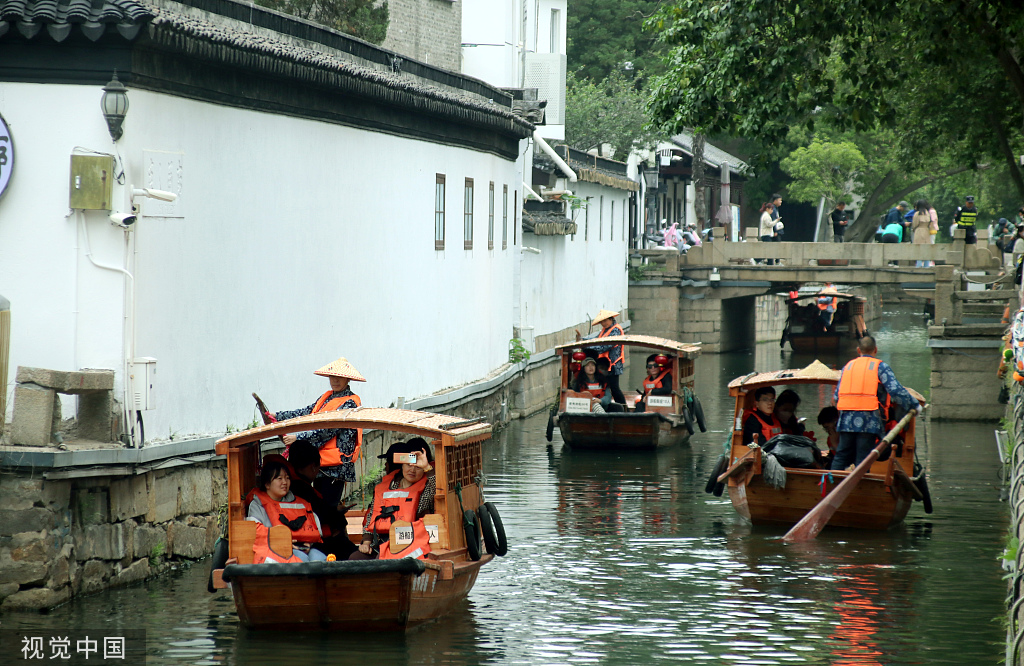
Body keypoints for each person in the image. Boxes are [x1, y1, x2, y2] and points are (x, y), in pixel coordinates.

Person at [273, 357, 366, 508]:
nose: (335, 380)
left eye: (339, 377)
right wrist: (277, 416)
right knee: (316, 504)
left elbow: (329, 430)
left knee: (327, 506)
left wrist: (298, 437)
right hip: (319, 464)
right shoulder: (327, 397)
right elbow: (306, 412)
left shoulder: (350, 402)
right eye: (332, 377)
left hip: (336, 468)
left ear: (348, 379)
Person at [832, 336, 921, 470]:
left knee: (841, 455)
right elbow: (896, 391)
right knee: (863, 458)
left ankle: (832, 486)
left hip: (846, 419)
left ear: (858, 350)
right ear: (876, 350)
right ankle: (860, 488)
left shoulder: (847, 367)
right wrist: (914, 405)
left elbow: (836, 396)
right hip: (868, 419)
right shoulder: (880, 367)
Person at [353, 438, 435, 560]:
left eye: (417, 467)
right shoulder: (387, 485)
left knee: (382, 561)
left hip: (412, 544)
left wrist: (427, 467)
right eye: (409, 465)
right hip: (381, 542)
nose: (412, 470)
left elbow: (438, 489)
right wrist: (366, 542)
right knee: (355, 558)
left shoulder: (427, 487)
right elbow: (372, 516)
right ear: (402, 464)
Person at [247, 458, 329, 562]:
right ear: (267, 484)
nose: (284, 482)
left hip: (304, 547)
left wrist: (309, 542)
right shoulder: (257, 505)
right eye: (279, 478)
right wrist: (284, 543)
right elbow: (254, 534)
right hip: (274, 549)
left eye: (287, 478)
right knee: (301, 559)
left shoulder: (299, 502)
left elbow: (314, 526)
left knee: (320, 559)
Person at [287, 441, 358, 558]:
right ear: (313, 467)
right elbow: (323, 514)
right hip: (313, 539)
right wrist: (337, 513)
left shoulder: (292, 485)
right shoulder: (303, 489)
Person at [576, 309, 627, 406]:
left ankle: (624, 408)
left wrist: (584, 345)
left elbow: (604, 346)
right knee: (605, 385)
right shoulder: (605, 330)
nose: (603, 323)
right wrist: (582, 340)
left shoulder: (616, 330)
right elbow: (595, 339)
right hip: (603, 364)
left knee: (614, 387)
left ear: (611, 319)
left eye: (605, 321)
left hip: (613, 364)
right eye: (601, 322)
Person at [911, 201, 933, 266]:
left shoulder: (917, 214)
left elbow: (914, 224)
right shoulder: (928, 213)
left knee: (918, 249)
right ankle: (926, 265)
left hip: (919, 231)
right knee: (926, 249)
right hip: (926, 231)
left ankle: (919, 264)